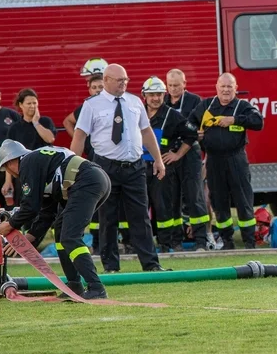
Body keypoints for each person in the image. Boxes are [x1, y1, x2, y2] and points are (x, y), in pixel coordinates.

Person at [71, 63, 166, 272]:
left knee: (141, 216)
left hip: (135, 167)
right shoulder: (92, 105)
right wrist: (73, 168)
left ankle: (151, 265)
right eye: (119, 80)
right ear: (106, 80)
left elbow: (146, 131)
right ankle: (111, 266)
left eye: (125, 80)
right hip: (105, 167)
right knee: (108, 218)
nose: (124, 84)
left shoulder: (134, 102)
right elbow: (79, 136)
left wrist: (158, 159)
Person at [0, 140, 111, 299]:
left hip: (86, 182)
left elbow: (30, 207)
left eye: (7, 168)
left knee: (70, 237)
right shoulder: (41, 165)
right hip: (92, 179)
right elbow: (46, 213)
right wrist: (28, 238)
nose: (11, 173)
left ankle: (96, 288)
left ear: (12, 161)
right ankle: (74, 286)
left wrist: (11, 224)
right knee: (62, 231)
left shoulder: (27, 162)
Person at [188, 73, 264, 249]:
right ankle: (227, 242)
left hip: (236, 158)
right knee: (219, 202)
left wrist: (235, 120)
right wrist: (195, 134)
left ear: (236, 88)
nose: (226, 90)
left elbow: (258, 122)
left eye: (230, 86)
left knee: (243, 201)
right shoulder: (206, 105)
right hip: (214, 160)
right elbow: (188, 124)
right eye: (222, 86)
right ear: (216, 87)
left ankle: (249, 242)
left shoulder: (242, 106)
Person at [141, 76, 198, 252]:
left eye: (159, 94)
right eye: (151, 95)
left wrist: (177, 154)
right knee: (141, 205)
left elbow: (192, 135)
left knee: (164, 206)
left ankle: (168, 243)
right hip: (140, 168)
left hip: (163, 169)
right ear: (144, 95)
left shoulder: (173, 115)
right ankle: (141, 243)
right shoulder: (137, 113)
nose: (155, 98)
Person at [63, 58, 108, 245]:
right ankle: (98, 240)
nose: (97, 90)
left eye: (100, 86)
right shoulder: (86, 107)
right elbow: (68, 121)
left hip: (113, 157)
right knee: (97, 201)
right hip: (93, 157)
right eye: (94, 87)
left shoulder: (114, 104)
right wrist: (80, 142)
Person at [165, 68, 209, 251]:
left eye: (177, 85)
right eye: (170, 85)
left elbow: (201, 129)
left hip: (190, 153)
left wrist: (197, 134)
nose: (173, 89)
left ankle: (201, 240)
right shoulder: (163, 101)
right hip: (169, 154)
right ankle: (175, 242)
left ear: (185, 84)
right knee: (171, 199)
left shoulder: (194, 101)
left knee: (195, 197)